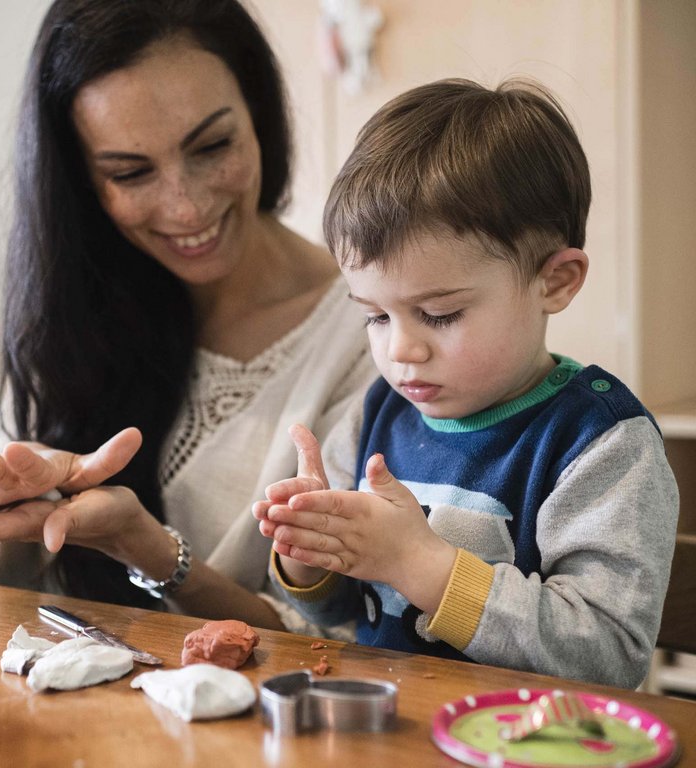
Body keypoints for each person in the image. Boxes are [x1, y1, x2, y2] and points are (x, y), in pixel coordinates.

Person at [0, 0, 377, 629]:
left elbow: (337, 640)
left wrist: (145, 546)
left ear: (259, 115)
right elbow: (24, 597)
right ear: (84, 185)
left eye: (211, 146)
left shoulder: (374, 332)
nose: (184, 207)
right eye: (130, 172)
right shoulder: (87, 313)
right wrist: (23, 512)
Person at [250, 79, 679, 687]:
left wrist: (420, 563)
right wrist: (310, 560)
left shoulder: (601, 444)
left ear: (554, 281)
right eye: (375, 315)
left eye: (440, 314)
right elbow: (342, 615)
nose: (400, 350)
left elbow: (606, 655)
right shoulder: (378, 415)